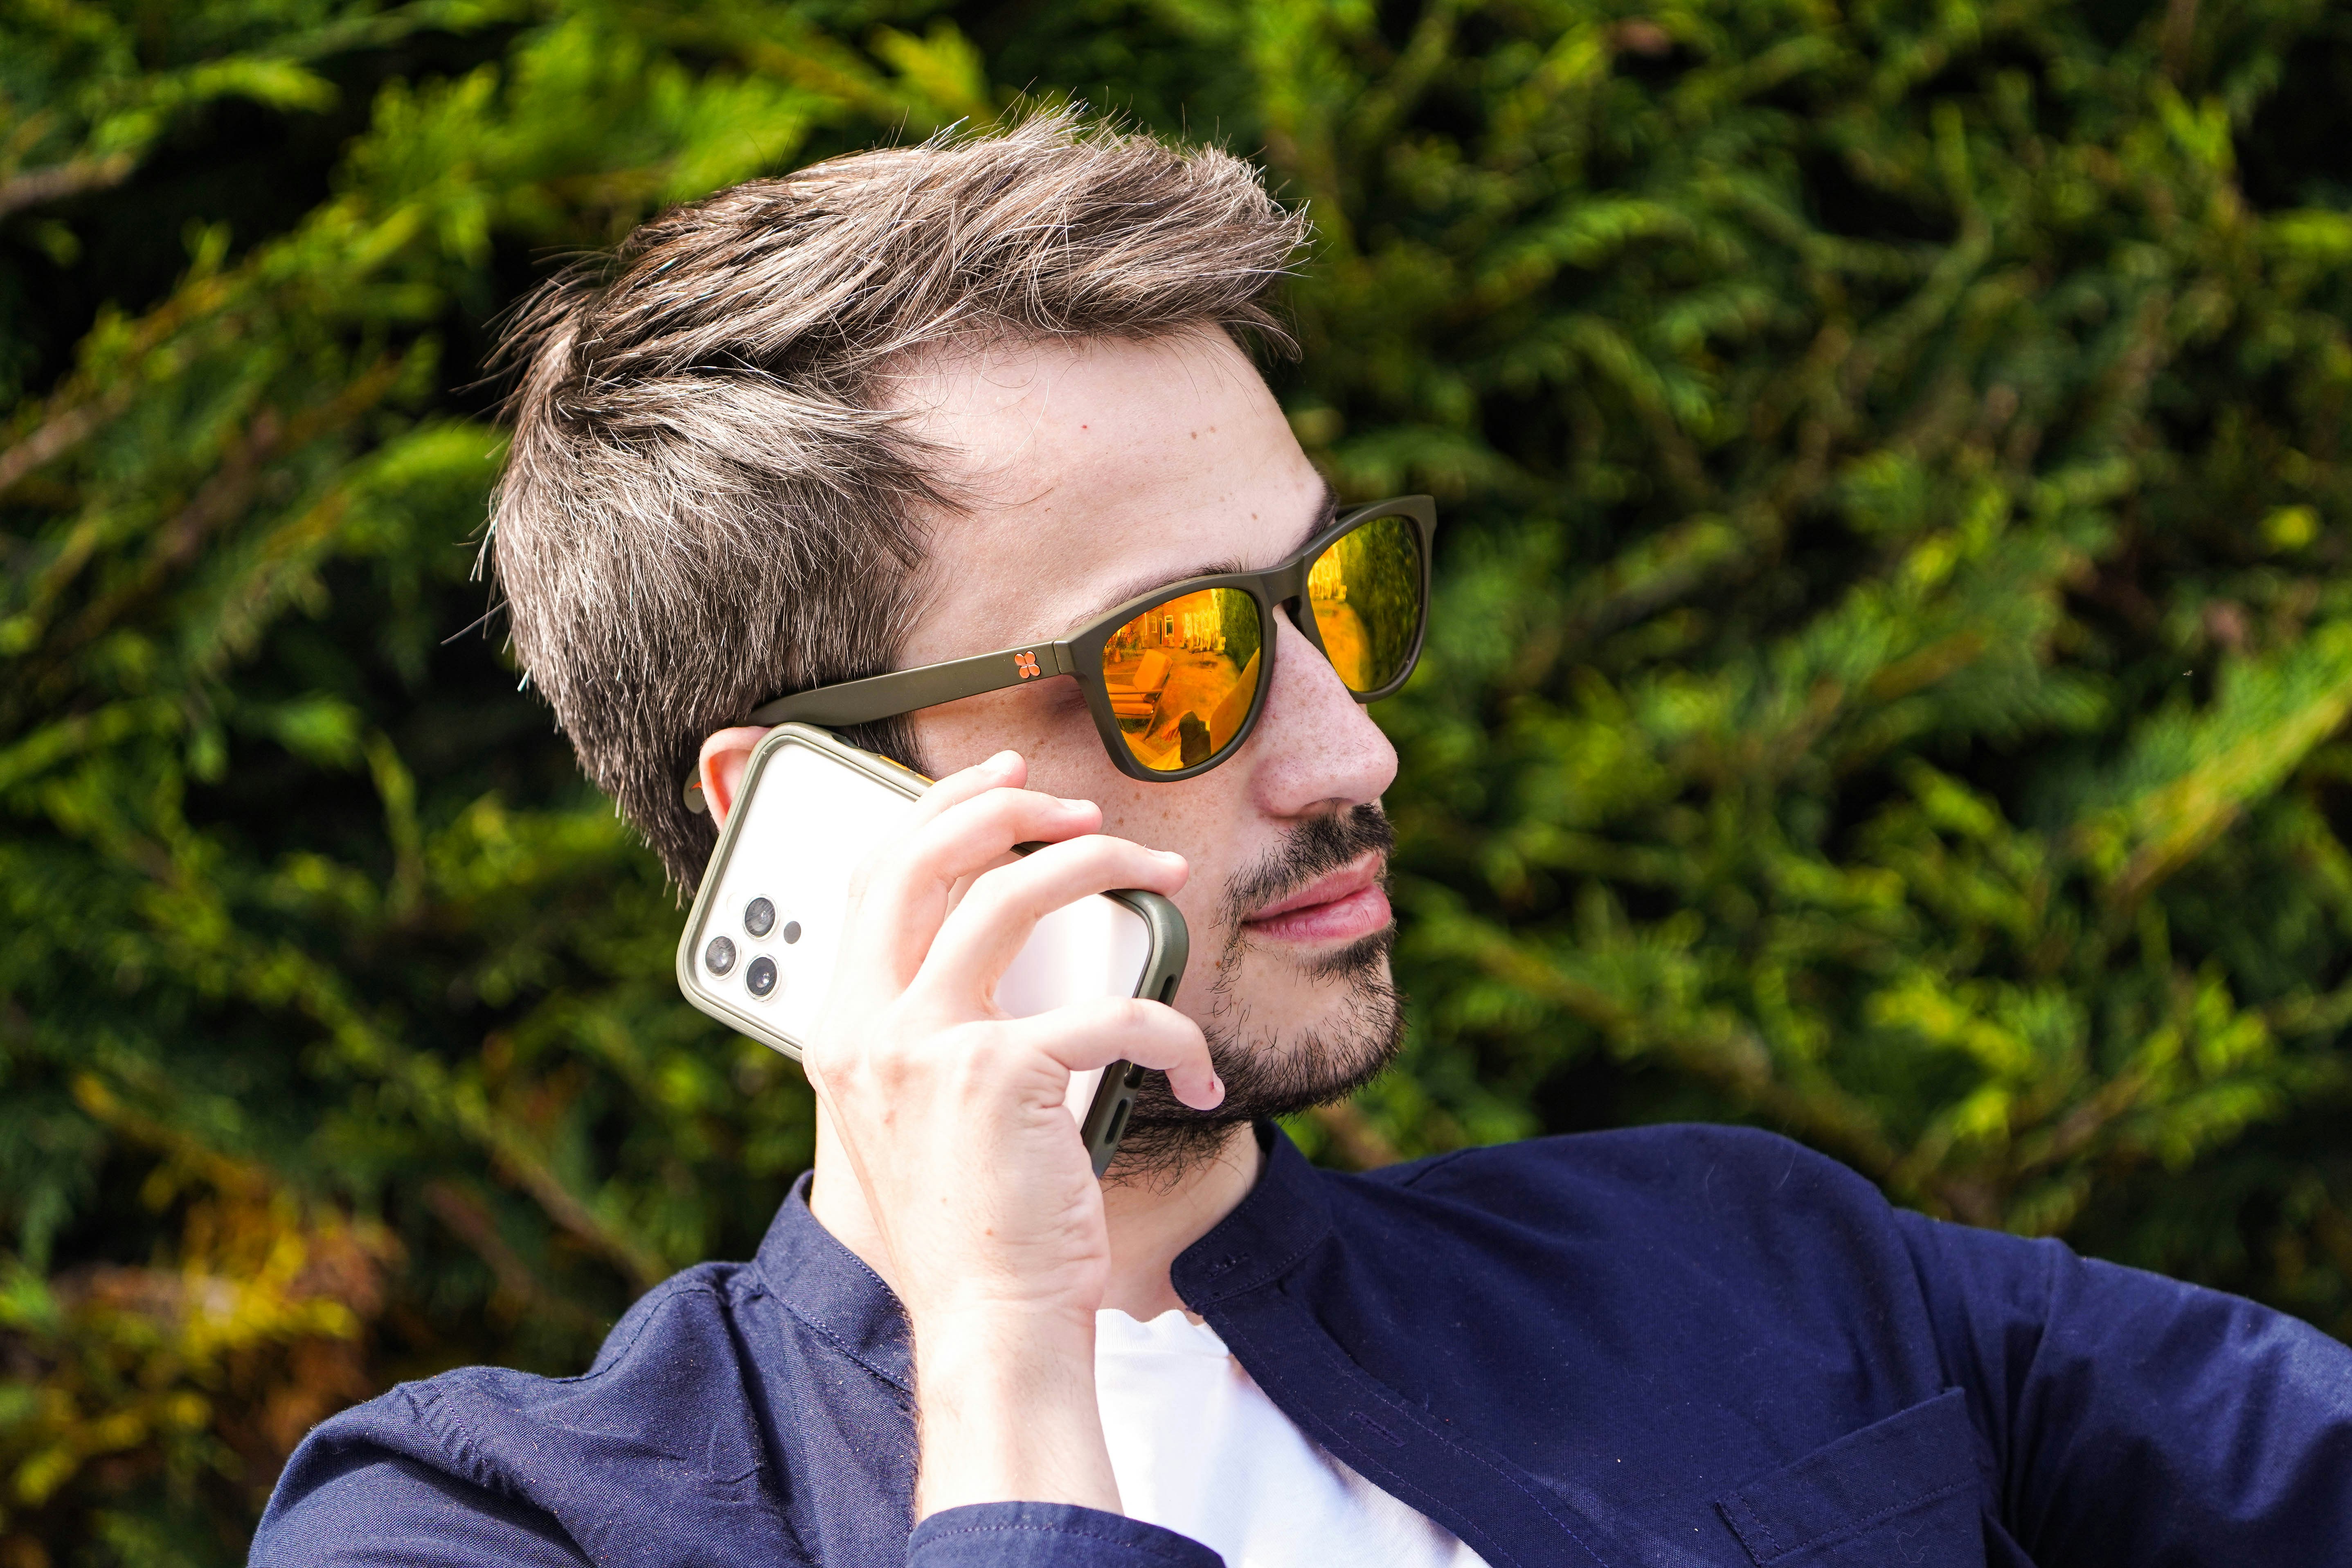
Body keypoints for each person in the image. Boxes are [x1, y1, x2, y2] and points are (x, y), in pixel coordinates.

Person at [250, 113, 2352, 1568]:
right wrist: (1005, 1369)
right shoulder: (488, 1519)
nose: (1351, 747)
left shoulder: (1750, 1263)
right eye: (1175, 663)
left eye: (1328, 602)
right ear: (802, 814)